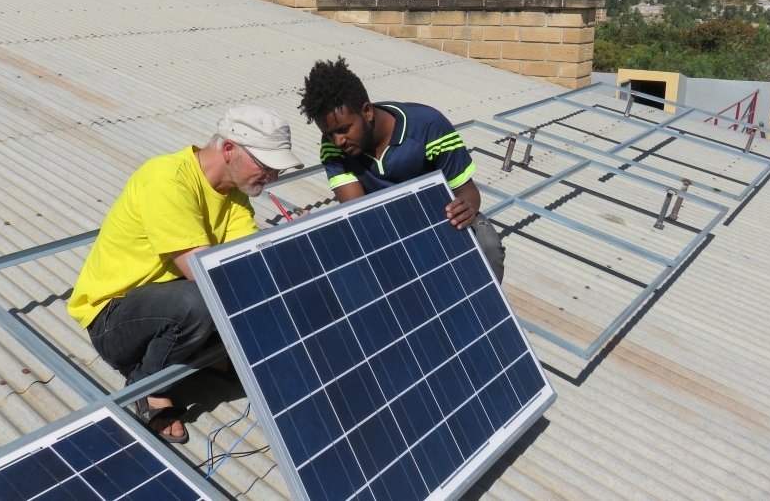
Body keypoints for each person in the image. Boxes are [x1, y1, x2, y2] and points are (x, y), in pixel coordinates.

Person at [67, 104, 303, 443]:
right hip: (114, 317)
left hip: (166, 303)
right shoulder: (166, 180)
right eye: (266, 166)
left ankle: (202, 355)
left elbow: (243, 262)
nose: (273, 178)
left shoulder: (234, 195)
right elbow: (203, 271)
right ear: (228, 149)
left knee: (246, 305)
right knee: (203, 299)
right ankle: (148, 384)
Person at [297, 56, 505, 281]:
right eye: (329, 134)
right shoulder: (334, 148)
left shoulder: (429, 127)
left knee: (486, 242)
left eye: (344, 129)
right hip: (384, 226)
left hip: (440, 219)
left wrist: (467, 207)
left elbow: (467, 192)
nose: (338, 141)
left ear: (367, 111)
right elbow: (359, 213)